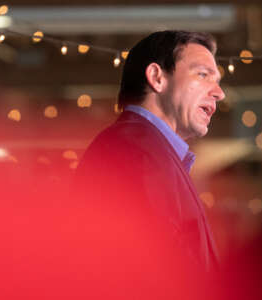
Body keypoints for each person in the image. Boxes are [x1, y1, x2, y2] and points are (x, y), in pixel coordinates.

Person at [74, 30, 225, 298]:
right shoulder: (134, 151)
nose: (219, 93)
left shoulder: (147, 150)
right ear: (157, 77)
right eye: (203, 75)